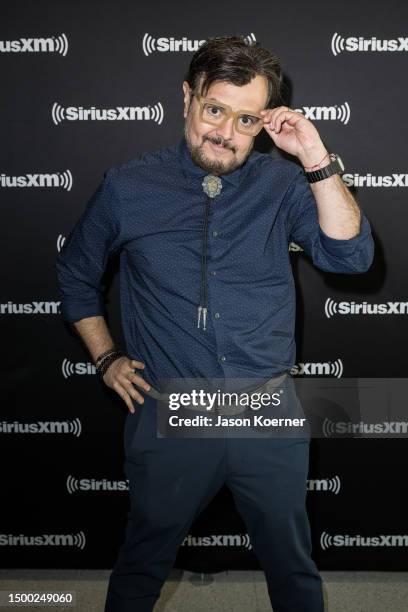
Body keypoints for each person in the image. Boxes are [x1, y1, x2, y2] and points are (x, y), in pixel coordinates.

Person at [55, 35, 374, 612]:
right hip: (172, 408)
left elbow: (350, 257)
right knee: (141, 562)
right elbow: (76, 275)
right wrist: (105, 357)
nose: (225, 132)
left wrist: (314, 158)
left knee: (293, 569)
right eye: (215, 109)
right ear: (187, 97)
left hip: (266, 409)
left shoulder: (281, 186)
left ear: (263, 124)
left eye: (246, 119)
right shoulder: (127, 187)